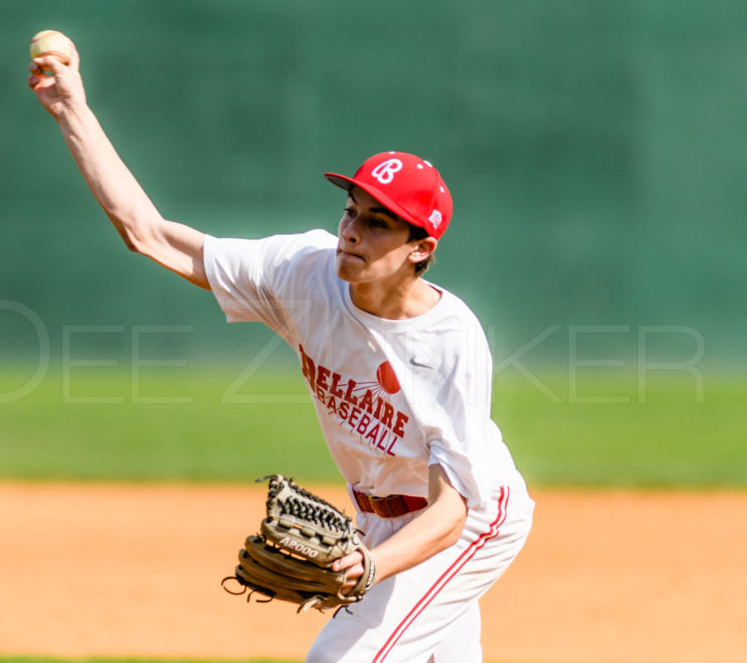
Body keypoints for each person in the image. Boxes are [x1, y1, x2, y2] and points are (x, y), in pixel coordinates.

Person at [28, 39, 534, 663]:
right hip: (379, 519)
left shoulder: (451, 340)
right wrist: (71, 108)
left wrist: (371, 565)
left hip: (469, 524)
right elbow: (149, 234)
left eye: (378, 223)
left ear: (420, 248)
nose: (352, 231)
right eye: (352, 211)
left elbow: (453, 508)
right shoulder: (303, 272)